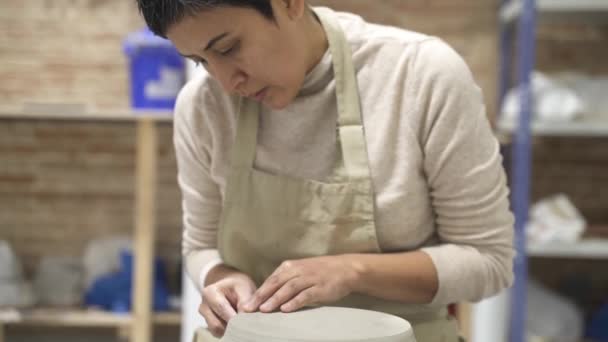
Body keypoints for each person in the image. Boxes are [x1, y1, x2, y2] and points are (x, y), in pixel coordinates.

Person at [136, 1, 515, 341]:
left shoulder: (419, 75)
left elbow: (488, 260)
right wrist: (218, 278)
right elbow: (200, 246)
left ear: (290, 3)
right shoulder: (202, 107)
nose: (225, 81)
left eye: (227, 48)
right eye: (200, 61)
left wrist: (354, 270)